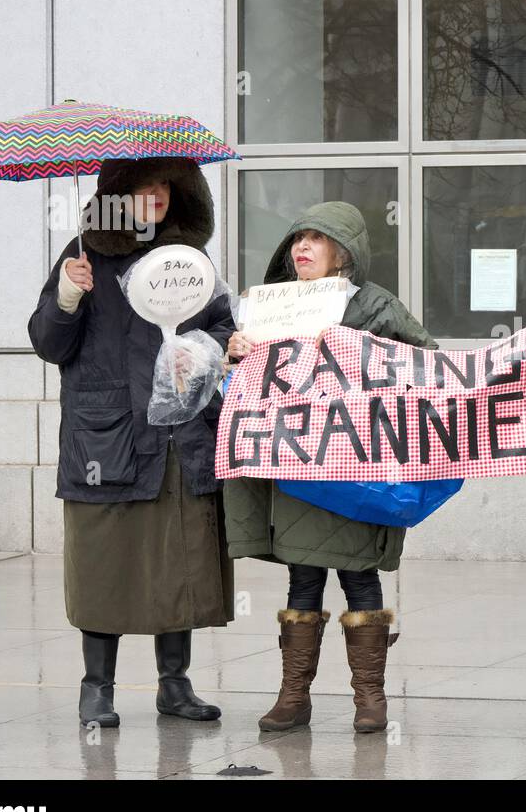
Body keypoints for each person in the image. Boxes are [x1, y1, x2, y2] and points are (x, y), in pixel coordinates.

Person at [28, 157, 236, 728]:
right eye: (145, 188)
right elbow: (49, 343)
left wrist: (204, 350)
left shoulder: (188, 262)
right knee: (104, 564)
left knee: (181, 558)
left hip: (178, 436)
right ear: (118, 195)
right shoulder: (83, 255)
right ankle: (96, 688)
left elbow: (220, 322)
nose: (159, 197)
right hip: (109, 438)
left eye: (167, 186)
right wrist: (68, 297)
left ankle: (175, 685)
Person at [224, 201, 435, 734]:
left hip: (354, 467)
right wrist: (237, 351)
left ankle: (371, 700)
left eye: (316, 239)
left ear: (344, 251)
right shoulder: (270, 306)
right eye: (298, 238)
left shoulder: (375, 305)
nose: (302, 248)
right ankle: (294, 697)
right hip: (297, 468)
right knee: (303, 580)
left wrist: (356, 351)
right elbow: (245, 385)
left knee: (360, 578)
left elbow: (425, 365)